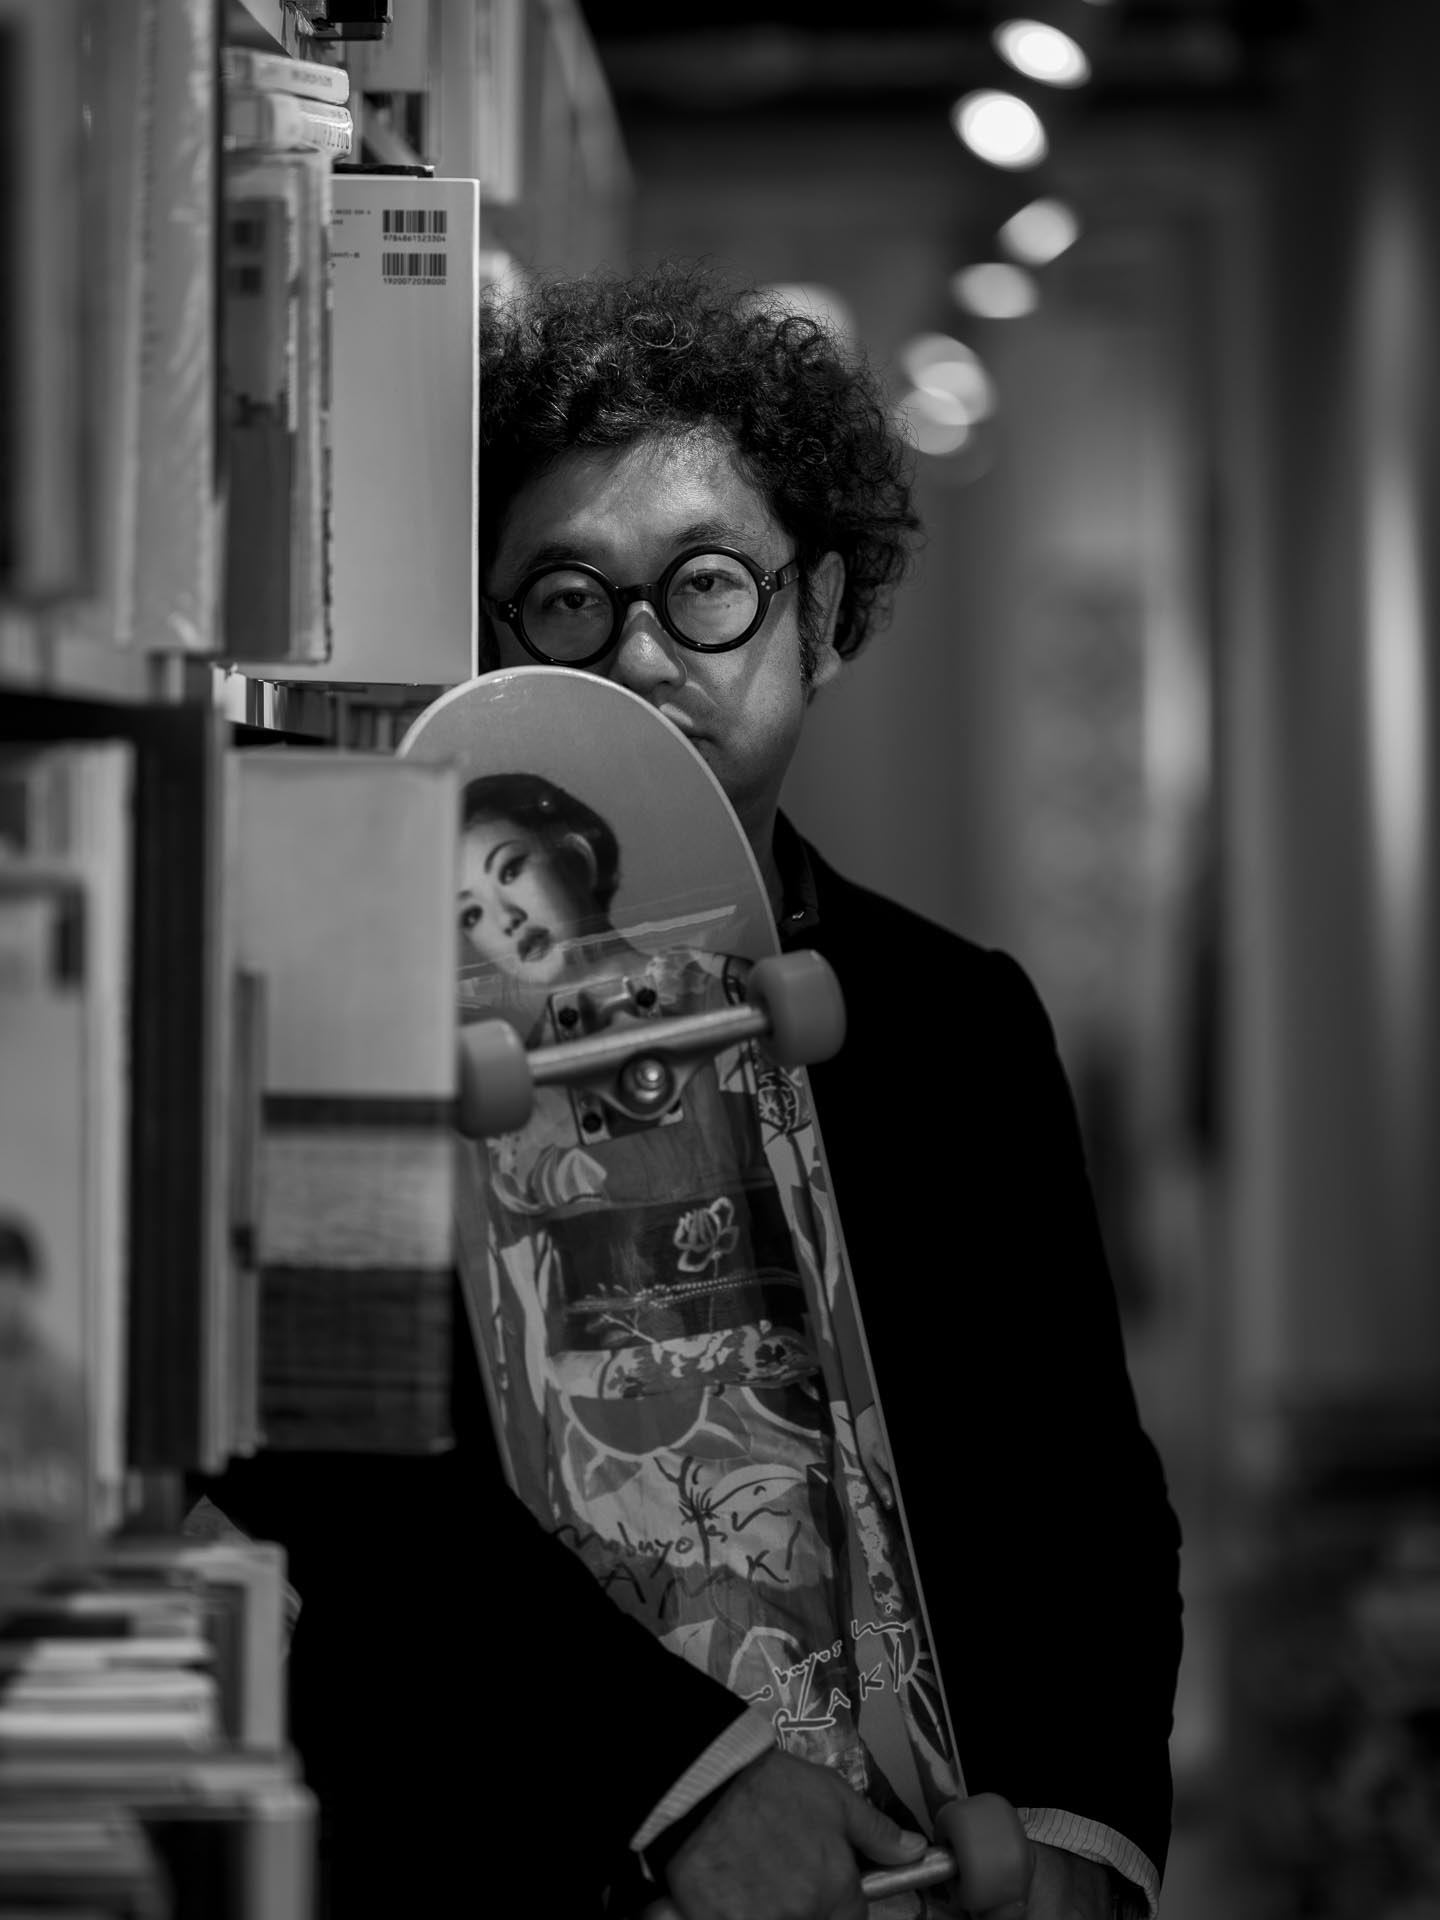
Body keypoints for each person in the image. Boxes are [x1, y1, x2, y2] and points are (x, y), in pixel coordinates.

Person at [205, 260, 1181, 1920]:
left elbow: (1078, 1485)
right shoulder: (347, 1014)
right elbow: (340, 1483)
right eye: (568, 597)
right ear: (494, 639)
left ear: (825, 613)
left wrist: (1082, 1836)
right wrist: (681, 1776)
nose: (644, 652)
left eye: (708, 583)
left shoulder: (960, 1021)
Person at [451, 771, 949, 1828]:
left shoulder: (733, 999)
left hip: (759, 1394)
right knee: (659, 1651)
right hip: (604, 1433)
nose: (503, 918)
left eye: (510, 872)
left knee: (797, 1638)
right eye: (468, 915)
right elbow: (512, 1297)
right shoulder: (495, 1081)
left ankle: (851, 1817)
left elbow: (807, 1212)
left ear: (573, 853)